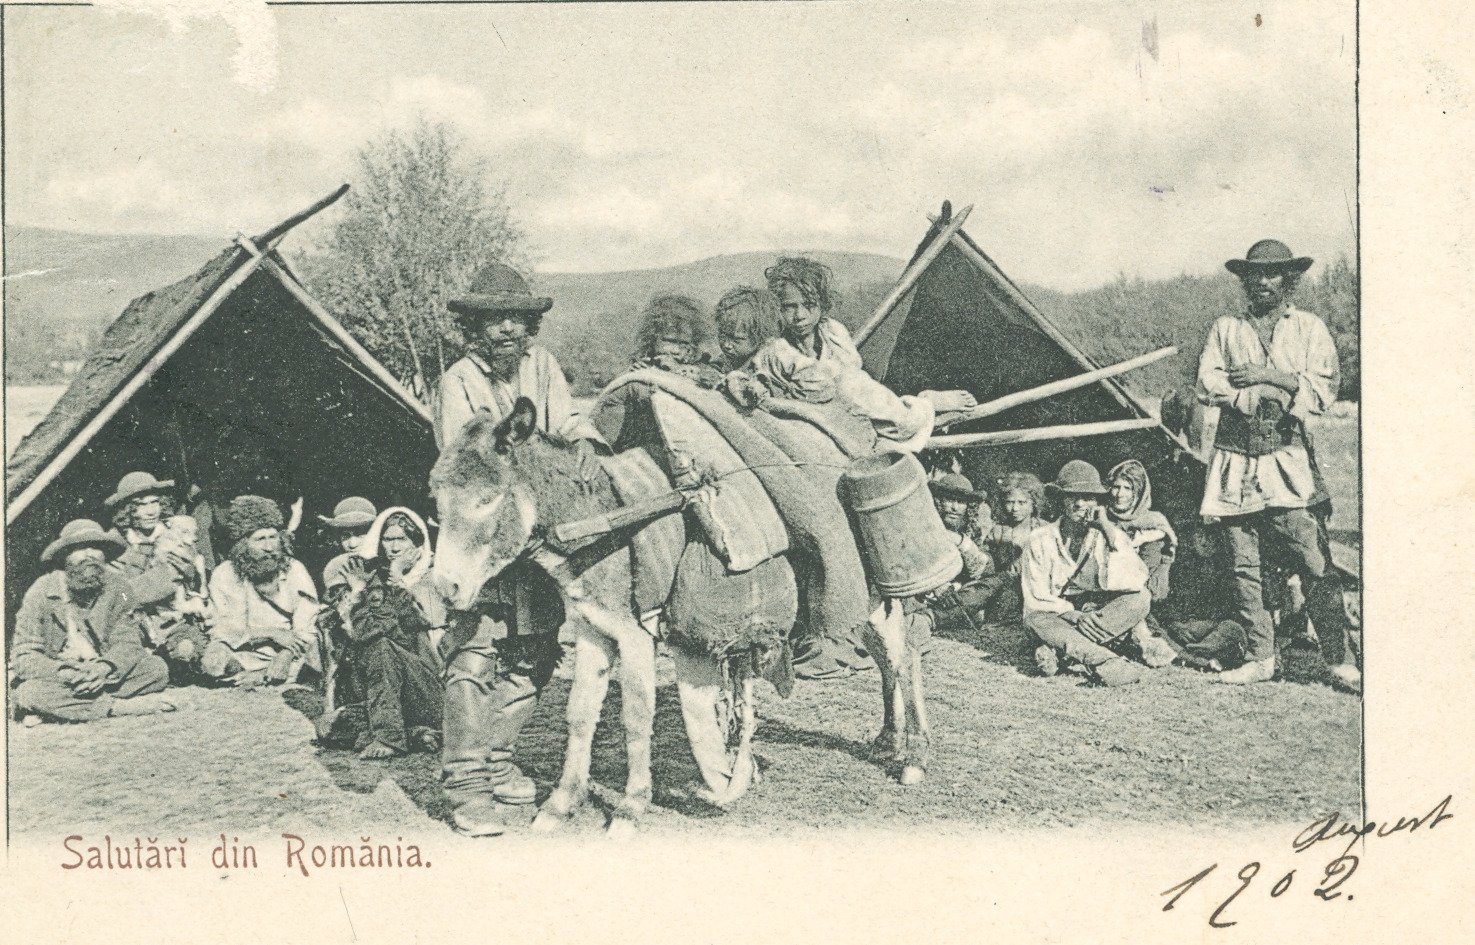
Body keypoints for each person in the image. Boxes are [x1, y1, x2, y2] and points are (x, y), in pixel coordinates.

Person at [431, 261, 591, 836]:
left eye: (517, 320)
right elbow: (469, 461)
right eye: (495, 320)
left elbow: (566, 427)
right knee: (475, 657)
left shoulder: (542, 367)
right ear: (475, 326)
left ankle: (499, 759)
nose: (507, 331)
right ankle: (467, 784)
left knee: (535, 654)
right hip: (482, 535)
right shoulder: (458, 382)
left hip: (538, 534)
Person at [1196, 239, 1354, 688]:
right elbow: (1208, 383)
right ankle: (1261, 656)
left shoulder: (1308, 327)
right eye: (1255, 275)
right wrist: (1251, 396)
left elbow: (1322, 389)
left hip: (1286, 457)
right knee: (1244, 562)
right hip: (1234, 457)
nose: (1263, 282)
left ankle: (1338, 659)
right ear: (1245, 280)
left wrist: (1267, 376)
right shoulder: (1226, 328)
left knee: (1312, 558)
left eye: (1273, 274)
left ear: (1289, 279)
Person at [750, 257, 977, 449]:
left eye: (808, 304)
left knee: (903, 422)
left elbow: (856, 384)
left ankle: (924, 404)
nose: (799, 315)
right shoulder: (775, 348)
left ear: (821, 304)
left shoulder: (833, 332)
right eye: (789, 306)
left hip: (853, 409)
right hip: (815, 418)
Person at [10, 520, 174, 723]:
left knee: (156, 669)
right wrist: (65, 673)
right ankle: (116, 707)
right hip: (62, 675)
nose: (89, 555)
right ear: (64, 557)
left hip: (102, 670)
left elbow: (128, 641)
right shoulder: (42, 590)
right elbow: (24, 655)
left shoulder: (118, 587)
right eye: (79, 549)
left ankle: (67, 708)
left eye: (96, 548)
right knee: (29, 691)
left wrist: (104, 669)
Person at [319, 505, 444, 760]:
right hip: (387, 688)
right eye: (388, 540)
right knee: (328, 727)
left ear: (418, 543)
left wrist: (394, 582)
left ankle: (389, 736)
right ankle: (415, 734)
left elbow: (394, 633)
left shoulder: (435, 577)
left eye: (402, 539)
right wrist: (357, 590)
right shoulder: (373, 578)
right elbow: (356, 634)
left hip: (429, 685)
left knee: (382, 647)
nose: (394, 548)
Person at [1020, 461, 1152, 687]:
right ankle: (1104, 660)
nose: (1080, 503)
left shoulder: (1105, 535)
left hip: (1096, 612)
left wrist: (1108, 530)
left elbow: (1135, 580)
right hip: (1057, 613)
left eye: (1088, 497)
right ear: (1061, 500)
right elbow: (1036, 596)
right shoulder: (1039, 539)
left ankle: (1058, 652)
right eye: (1072, 496)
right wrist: (1074, 615)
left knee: (1141, 599)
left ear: (1097, 503)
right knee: (1035, 620)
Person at [202, 495, 320, 687]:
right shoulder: (225, 574)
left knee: (314, 650)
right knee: (213, 661)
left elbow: (306, 628)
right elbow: (224, 629)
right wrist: (271, 633)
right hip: (244, 650)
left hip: (291, 651)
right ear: (243, 544)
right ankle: (255, 674)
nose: (269, 547)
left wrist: (285, 655)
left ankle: (266, 675)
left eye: (273, 537)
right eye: (260, 539)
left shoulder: (294, 570)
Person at [1105, 460, 1177, 602]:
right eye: (1116, 487)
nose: (1120, 494)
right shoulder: (1102, 517)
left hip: (1136, 595)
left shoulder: (1152, 524)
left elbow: (1145, 575)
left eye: (1127, 488)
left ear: (1139, 492)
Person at [930, 474, 993, 582]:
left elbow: (987, 568)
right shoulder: (929, 526)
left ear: (969, 506)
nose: (954, 507)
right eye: (949, 500)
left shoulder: (971, 530)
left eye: (961, 502)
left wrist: (961, 541)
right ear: (939, 501)